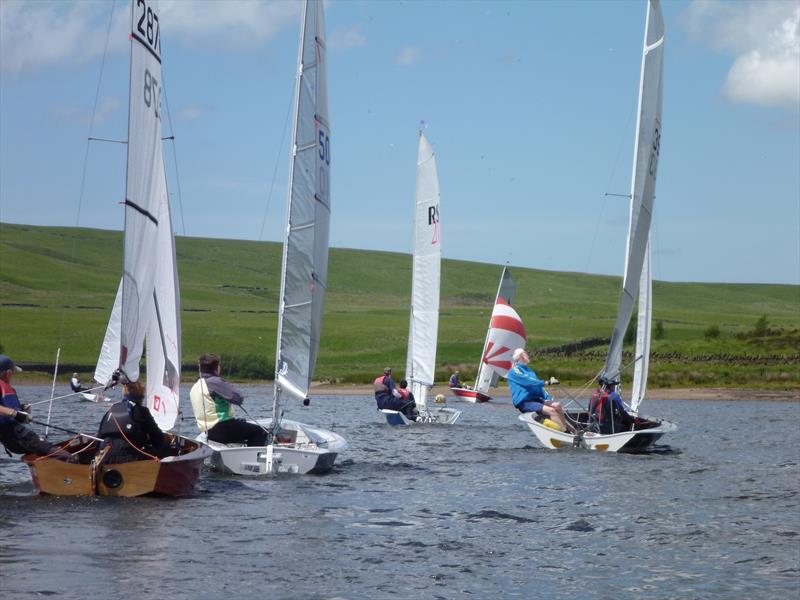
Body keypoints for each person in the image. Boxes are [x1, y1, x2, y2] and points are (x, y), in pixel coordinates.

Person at [0, 354, 73, 460]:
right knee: (67, 457)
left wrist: (21, 409)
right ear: (8, 373)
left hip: (14, 437)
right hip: (14, 435)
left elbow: (6, 408)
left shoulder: (6, 387)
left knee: (46, 448)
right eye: (13, 373)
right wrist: (15, 413)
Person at [189, 353, 268, 446]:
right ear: (216, 368)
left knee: (241, 427)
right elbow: (238, 399)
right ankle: (252, 458)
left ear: (200, 368)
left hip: (208, 432)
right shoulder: (214, 381)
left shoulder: (195, 387)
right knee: (260, 432)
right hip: (222, 428)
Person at [97, 380, 168, 462]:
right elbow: (158, 439)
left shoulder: (110, 410)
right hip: (130, 457)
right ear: (140, 397)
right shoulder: (142, 411)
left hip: (105, 457)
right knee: (167, 450)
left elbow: (99, 438)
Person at [505, 348, 573, 433]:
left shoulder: (530, 371)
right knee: (551, 411)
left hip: (536, 399)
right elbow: (529, 382)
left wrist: (547, 398)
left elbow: (538, 386)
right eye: (525, 353)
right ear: (520, 356)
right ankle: (565, 433)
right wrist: (547, 382)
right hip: (524, 402)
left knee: (557, 405)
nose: (527, 355)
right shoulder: (515, 371)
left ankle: (567, 430)